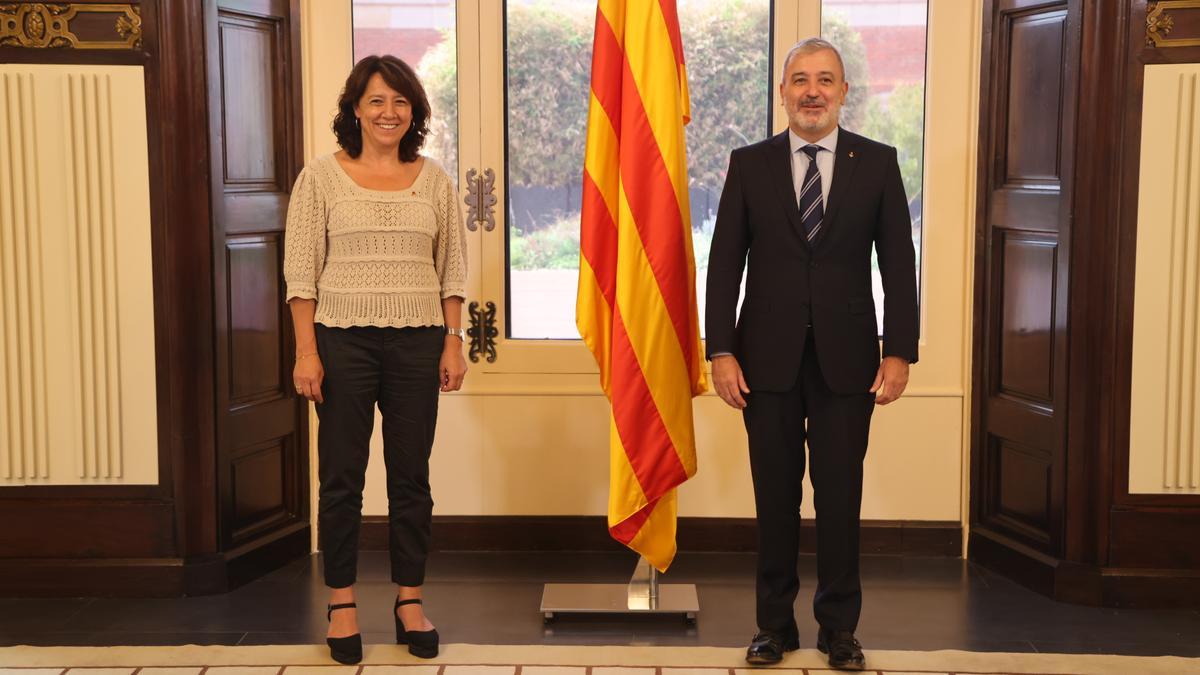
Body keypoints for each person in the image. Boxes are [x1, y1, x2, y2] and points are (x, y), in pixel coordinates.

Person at [705, 38, 918, 670]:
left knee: (840, 497)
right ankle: (774, 626)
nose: (812, 91)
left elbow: (898, 266)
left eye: (825, 79)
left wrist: (899, 350)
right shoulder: (751, 163)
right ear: (784, 93)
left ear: (844, 91)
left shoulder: (877, 163)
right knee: (774, 498)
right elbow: (724, 267)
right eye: (800, 79)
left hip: (848, 360)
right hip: (762, 359)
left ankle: (838, 629)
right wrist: (721, 349)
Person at [283, 54, 468, 664]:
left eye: (400, 102)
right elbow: (300, 272)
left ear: (412, 111)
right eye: (376, 101)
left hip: (417, 341)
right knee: (341, 479)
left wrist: (452, 339)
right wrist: (306, 352)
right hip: (341, 342)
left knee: (411, 477)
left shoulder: (434, 178)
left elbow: (453, 269)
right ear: (355, 110)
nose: (389, 112)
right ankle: (342, 604)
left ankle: (409, 599)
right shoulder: (321, 178)